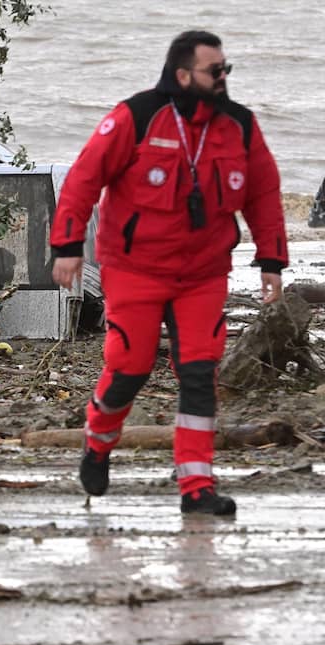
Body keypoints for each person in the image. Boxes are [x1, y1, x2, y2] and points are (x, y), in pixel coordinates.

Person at [49, 30, 288, 516]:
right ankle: (97, 444)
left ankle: (196, 487)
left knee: (199, 373)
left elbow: (264, 193)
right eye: (214, 71)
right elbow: (83, 178)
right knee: (128, 369)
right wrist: (68, 246)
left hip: (202, 273)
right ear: (184, 75)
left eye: (226, 70)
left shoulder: (240, 126)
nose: (223, 78)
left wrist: (272, 261)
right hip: (135, 268)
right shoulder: (136, 116)